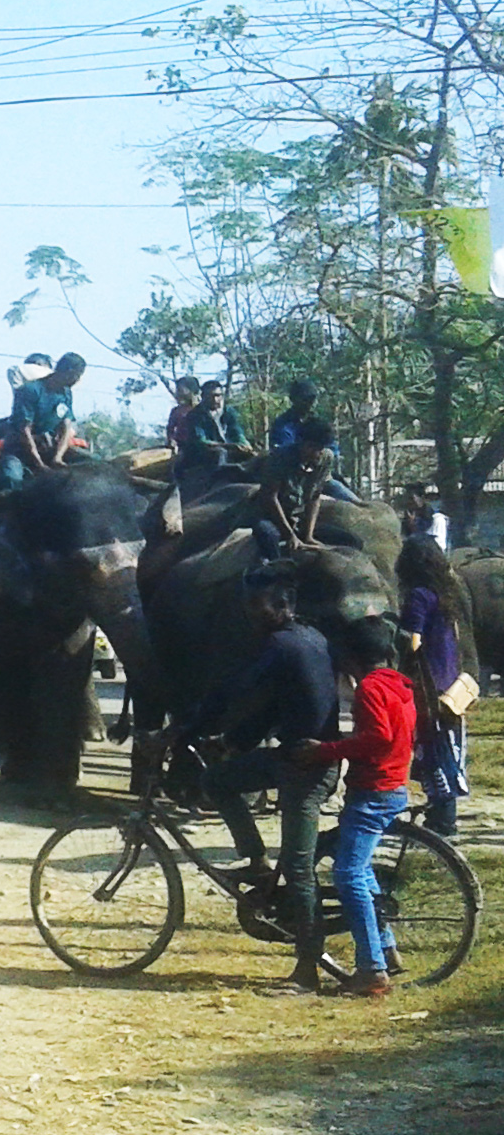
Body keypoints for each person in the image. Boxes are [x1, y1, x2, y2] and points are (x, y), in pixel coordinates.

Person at [162, 564, 343, 993]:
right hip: (293, 757)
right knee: (219, 781)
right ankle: (258, 863)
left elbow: (233, 691)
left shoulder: (280, 646)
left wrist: (179, 731)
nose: (249, 613)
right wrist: (231, 742)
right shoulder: (310, 638)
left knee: (299, 869)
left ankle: (306, 971)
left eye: (256, 605)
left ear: (281, 605)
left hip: (307, 767)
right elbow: (279, 707)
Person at [304, 632, 417, 996]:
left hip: (372, 791)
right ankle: (386, 947)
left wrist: (326, 751)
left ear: (351, 659)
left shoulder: (369, 689)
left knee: (348, 874)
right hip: (394, 786)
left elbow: (378, 738)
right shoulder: (400, 685)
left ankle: (371, 969)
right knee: (359, 864)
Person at [397, 534, 473, 837]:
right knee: (449, 750)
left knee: (434, 752)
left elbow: (412, 642)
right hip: (450, 682)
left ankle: (442, 821)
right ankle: (444, 815)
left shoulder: (418, 595)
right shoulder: (447, 593)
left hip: (428, 687)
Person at [256, 416, 340, 551]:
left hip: (299, 520)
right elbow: (270, 497)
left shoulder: (326, 458)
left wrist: (308, 536)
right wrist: (289, 535)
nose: (317, 453)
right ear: (300, 442)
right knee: (267, 534)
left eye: (320, 449)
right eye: (312, 447)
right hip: (273, 518)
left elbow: (315, 497)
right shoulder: (280, 458)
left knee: (352, 541)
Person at [2, 352, 84, 488]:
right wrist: (39, 463)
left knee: (96, 464)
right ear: (68, 372)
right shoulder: (30, 390)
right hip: (20, 450)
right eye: (77, 375)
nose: (77, 380)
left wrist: (58, 457)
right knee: (12, 479)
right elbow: (24, 430)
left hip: (49, 448)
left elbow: (66, 426)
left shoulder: (66, 394)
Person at [267, 378, 320, 452]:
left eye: (312, 399)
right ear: (293, 399)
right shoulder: (282, 425)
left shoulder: (319, 424)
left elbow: (332, 446)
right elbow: (281, 452)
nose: (310, 403)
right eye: (305, 399)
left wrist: (328, 452)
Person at [400, 483, 450, 548]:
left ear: (422, 498)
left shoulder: (437, 519)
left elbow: (436, 546)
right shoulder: (408, 517)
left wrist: (413, 526)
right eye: (407, 498)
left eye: (412, 498)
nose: (409, 502)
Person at [166, 375, 201, 451]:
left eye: (180, 389)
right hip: (181, 447)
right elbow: (170, 430)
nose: (178, 392)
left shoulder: (203, 410)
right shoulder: (176, 411)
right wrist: (172, 441)